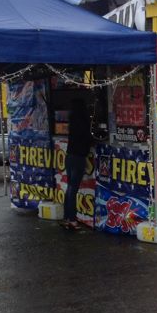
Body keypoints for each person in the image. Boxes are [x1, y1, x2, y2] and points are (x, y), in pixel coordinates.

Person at [62, 97, 92, 230]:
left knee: (69, 188)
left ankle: (67, 217)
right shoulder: (84, 121)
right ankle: (73, 220)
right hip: (78, 158)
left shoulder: (72, 120)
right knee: (73, 189)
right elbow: (88, 139)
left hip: (69, 157)